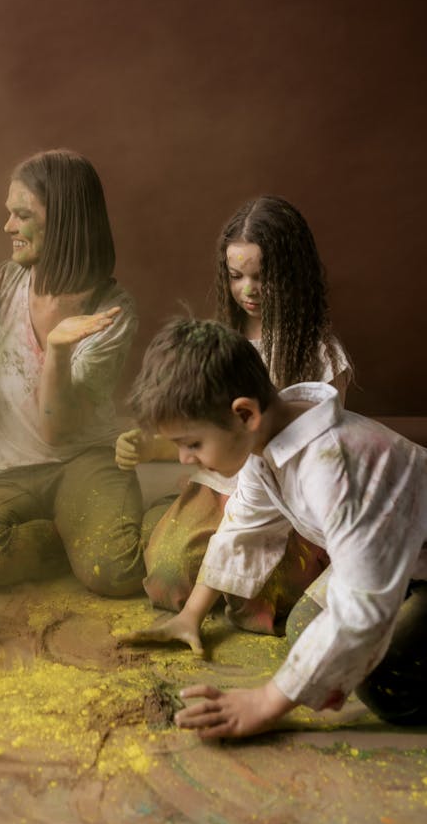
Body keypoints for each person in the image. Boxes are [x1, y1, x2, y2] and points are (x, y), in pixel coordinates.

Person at [121, 317, 427, 738]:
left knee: (384, 681)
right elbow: (241, 525)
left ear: (244, 413)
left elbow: (362, 606)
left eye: (192, 443)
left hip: (417, 562)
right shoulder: (271, 443)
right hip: (400, 556)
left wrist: (266, 702)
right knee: (306, 630)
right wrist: (192, 613)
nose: (184, 459)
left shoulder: (334, 468)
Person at [117, 196, 351, 633]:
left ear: (293, 276)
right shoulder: (221, 346)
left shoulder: (320, 356)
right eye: (236, 276)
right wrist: (151, 445)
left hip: (286, 501)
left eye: (263, 277)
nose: (248, 290)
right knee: (169, 576)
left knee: (259, 599)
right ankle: (177, 528)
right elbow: (196, 432)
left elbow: (319, 466)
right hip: (220, 484)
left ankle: (185, 537)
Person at [0, 150, 145, 596]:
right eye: (8, 214)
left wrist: (56, 349)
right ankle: (70, 535)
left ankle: (90, 528)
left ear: (66, 222)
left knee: (116, 571)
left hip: (84, 461)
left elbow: (56, 431)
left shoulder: (110, 309)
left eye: (22, 215)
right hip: (4, 474)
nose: (7, 228)